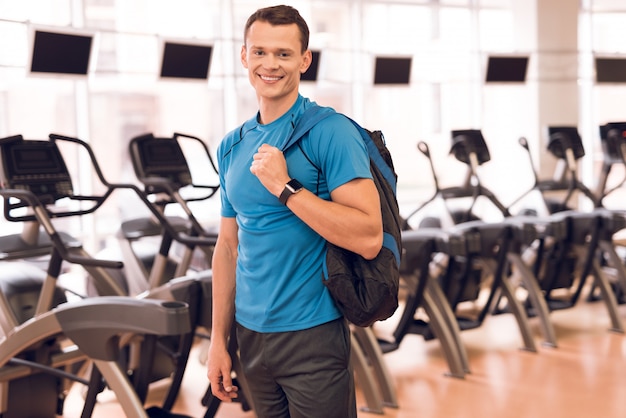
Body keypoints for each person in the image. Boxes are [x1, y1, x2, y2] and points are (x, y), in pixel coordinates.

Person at [206, 4, 383, 417]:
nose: (271, 64)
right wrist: (219, 339)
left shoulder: (331, 132)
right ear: (244, 56)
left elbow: (369, 237)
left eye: (284, 54)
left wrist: (285, 188)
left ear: (305, 60)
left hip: (313, 333)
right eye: (261, 52)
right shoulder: (231, 145)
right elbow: (228, 247)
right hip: (251, 336)